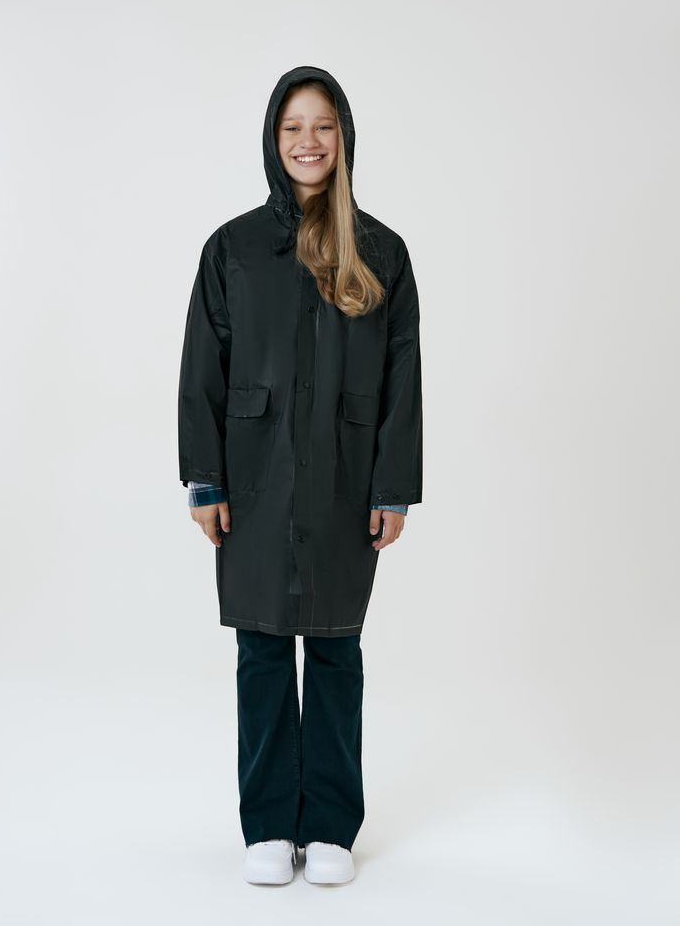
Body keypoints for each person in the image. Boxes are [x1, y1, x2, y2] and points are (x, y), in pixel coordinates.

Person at [177, 65, 423, 885]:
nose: (308, 141)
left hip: (346, 480)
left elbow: (402, 379)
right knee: (261, 650)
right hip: (253, 479)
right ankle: (267, 826)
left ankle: (329, 828)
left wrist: (392, 488)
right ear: (272, 139)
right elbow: (202, 369)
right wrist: (206, 481)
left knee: (336, 650)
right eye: (293, 127)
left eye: (322, 126)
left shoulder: (381, 251)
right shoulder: (234, 248)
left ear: (343, 136)